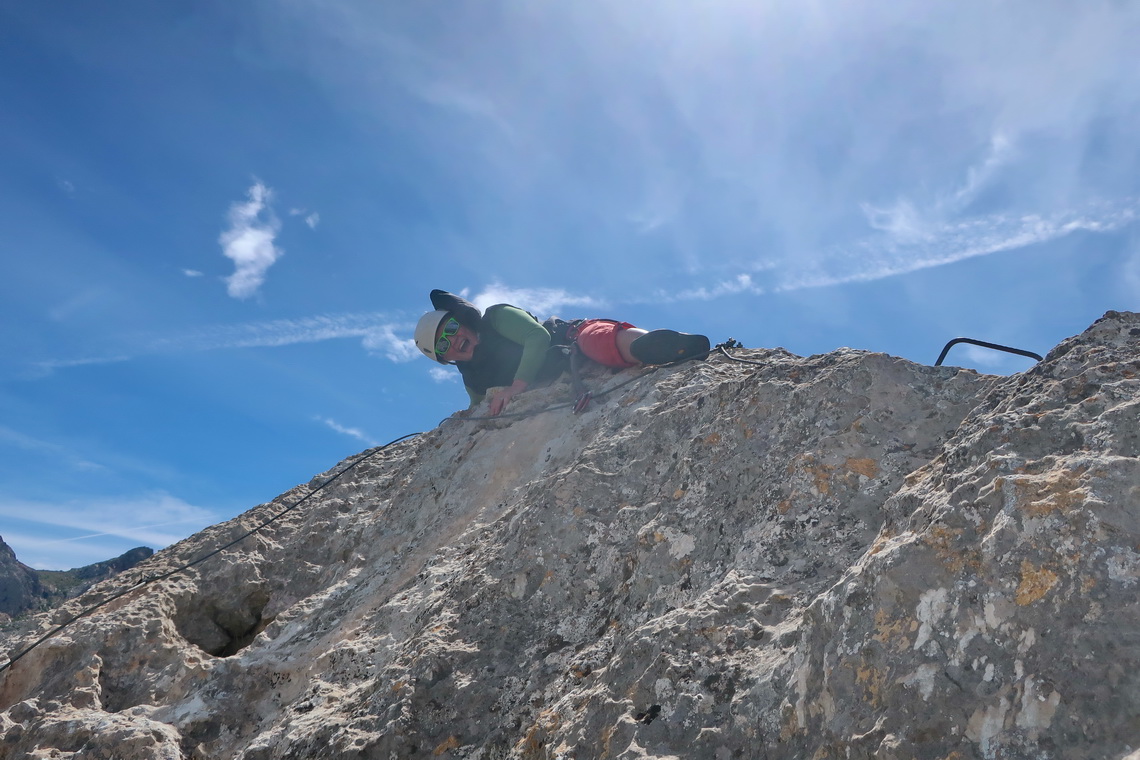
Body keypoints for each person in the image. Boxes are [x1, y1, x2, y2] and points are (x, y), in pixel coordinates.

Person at [414, 289, 710, 415]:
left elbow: (537, 336)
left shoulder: (497, 317)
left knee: (598, 342)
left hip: (569, 339)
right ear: (446, 360)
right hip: (562, 367)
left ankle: (659, 346)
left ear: (462, 321)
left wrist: (517, 386)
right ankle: (654, 347)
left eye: (450, 330)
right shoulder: (473, 378)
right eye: (442, 346)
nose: (452, 342)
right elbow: (477, 407)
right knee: (597, 347)